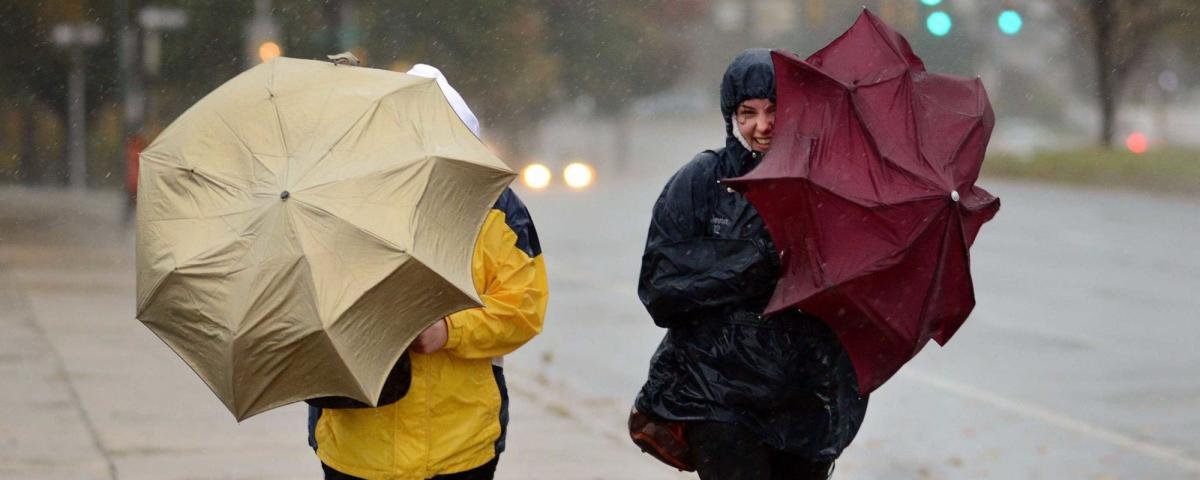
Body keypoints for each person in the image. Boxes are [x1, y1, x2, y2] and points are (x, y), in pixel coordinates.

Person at [631, 48, 868, 480]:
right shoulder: (702, 182)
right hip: (718, 397)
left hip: (807, 402)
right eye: (748, 112)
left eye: (775, 110)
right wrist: (754, 263)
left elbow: (855, 297)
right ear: (731, 115)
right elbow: (660, 290)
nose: (762, 126)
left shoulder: (830, 185)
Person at [307, 64, 549, 480]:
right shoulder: (337, 205)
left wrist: (449, 331)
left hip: (460, 447)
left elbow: (523, 310)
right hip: (356, 445)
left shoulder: (498, 212)